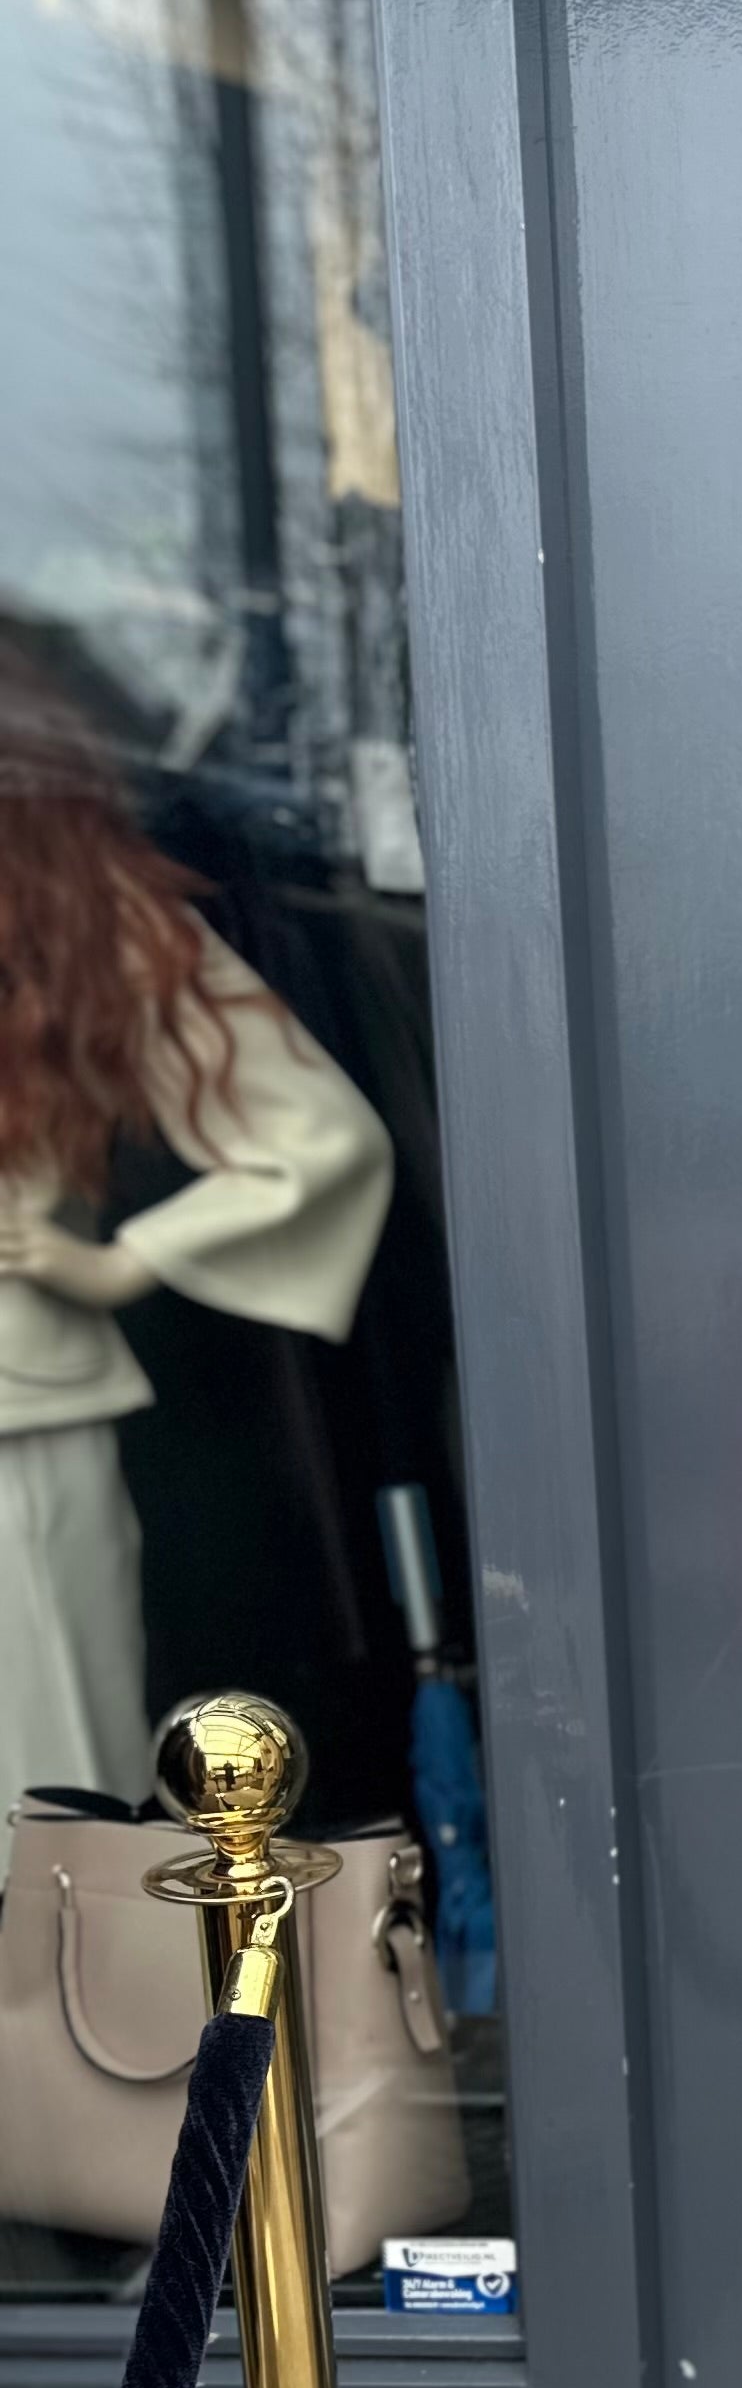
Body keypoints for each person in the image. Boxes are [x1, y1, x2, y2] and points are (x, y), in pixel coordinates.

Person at [0, 653, 394, 1836]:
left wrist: (122, 1259)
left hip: (21, 1411)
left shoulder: (74, 913)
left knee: (49, 1811)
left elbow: (315, 1135)